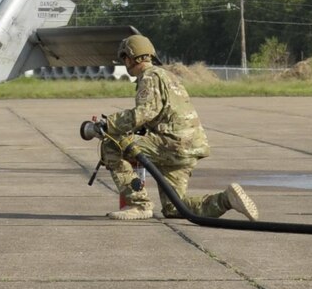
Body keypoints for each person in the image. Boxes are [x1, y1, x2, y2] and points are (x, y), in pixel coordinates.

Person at [79, 33, 258, 222]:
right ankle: (226, 200)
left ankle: (139, 205)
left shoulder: (149, 77)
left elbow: (144, 112)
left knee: (112, 146)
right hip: (188, 146)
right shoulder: (166, 75)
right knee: (174, 207)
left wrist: (107, 125)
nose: (124, 62)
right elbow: (158, 114)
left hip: (172, 143)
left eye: (124, 57)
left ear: (132, 57)